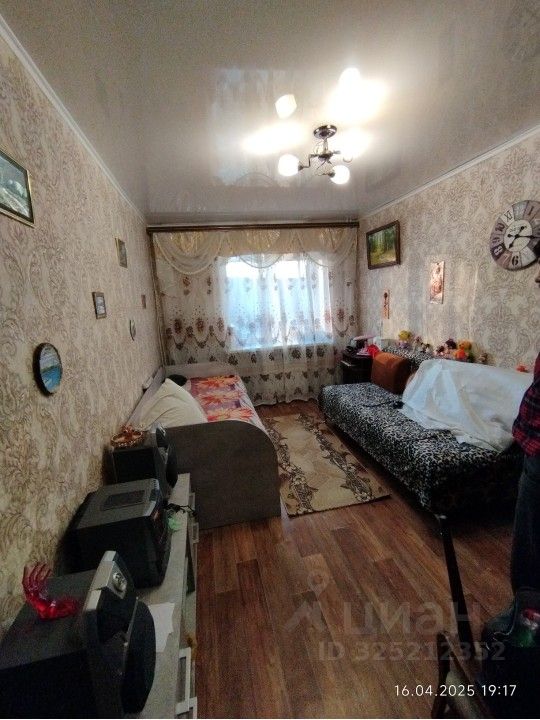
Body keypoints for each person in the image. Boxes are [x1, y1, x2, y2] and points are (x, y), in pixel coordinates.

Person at [510, 258, 540, 591]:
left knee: (529, 550)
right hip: (531, 447)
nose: (537, 279)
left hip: (536, 447)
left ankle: (525, 612)